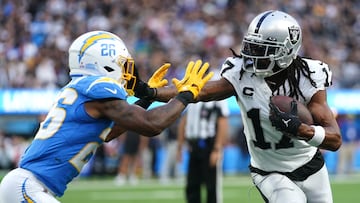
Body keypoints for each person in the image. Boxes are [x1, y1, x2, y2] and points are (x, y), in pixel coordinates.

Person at [146, 10, 342, 203]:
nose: (252, 55)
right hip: (270, 171)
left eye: (262, 49)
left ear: (286, 50)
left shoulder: (309, 76)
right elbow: (198, 91)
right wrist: (151, 92)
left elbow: (335, 139)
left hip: (311, 165)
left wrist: (302, 130)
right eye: (252, 46)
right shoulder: (241, 74)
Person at [0, 30, 213, 203]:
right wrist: (186, 95)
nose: (127, 72)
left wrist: (148, 99)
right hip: (28, 187)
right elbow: (152, 124)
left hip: (27, 186)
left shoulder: (80, 89)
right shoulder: (97, 87)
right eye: (122, 64)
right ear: (105, 62)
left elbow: (108, 133)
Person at [177, 100, 229, 203]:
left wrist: (217, 149)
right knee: (192, 185)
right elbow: (184, 120)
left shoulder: (217, 96)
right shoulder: (191, 92)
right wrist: (180, 147)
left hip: (209, 145)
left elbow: (222, 121)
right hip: (193, 146)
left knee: (211, 186)